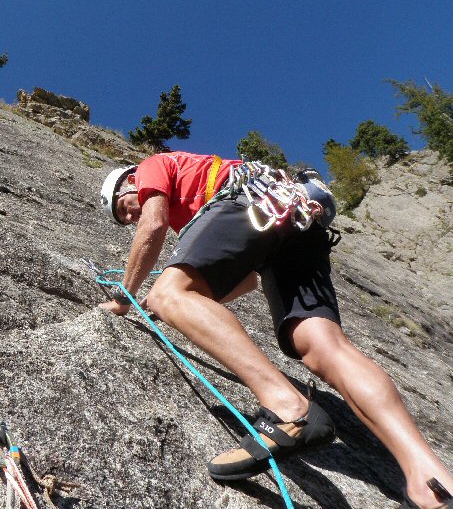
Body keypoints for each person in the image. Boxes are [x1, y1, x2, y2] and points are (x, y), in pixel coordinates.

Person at [98, 151, 453, 509]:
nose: (130, 216)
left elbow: (153, 224)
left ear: (130, 180)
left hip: (249, 200)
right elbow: (247, 281)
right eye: (123, 219)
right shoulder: (193, 209)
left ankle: (289, 409)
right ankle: (432, 484)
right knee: (320, 345)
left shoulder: (151, 167)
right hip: (297, 216)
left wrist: (127, 298)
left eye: (124, 206)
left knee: (168, 293)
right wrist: (180, 304)